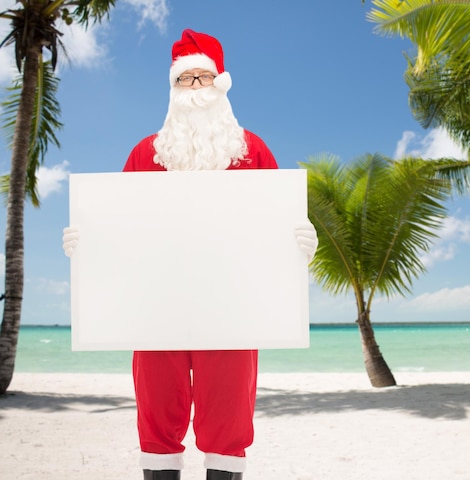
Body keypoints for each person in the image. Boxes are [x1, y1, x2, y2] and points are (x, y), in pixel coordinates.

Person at [63, 29, 318, 480]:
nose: (196, 88)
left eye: (204, 78)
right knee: (157, 411)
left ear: (221, 84)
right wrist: (87, 245)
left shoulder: (253, 150)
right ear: (173, 88)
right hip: (156, 306)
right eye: (186, 80)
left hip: (234, 309)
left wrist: (300, 241)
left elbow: (278, 222)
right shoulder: (146, 153)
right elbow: (117, 227)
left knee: (229, 415)